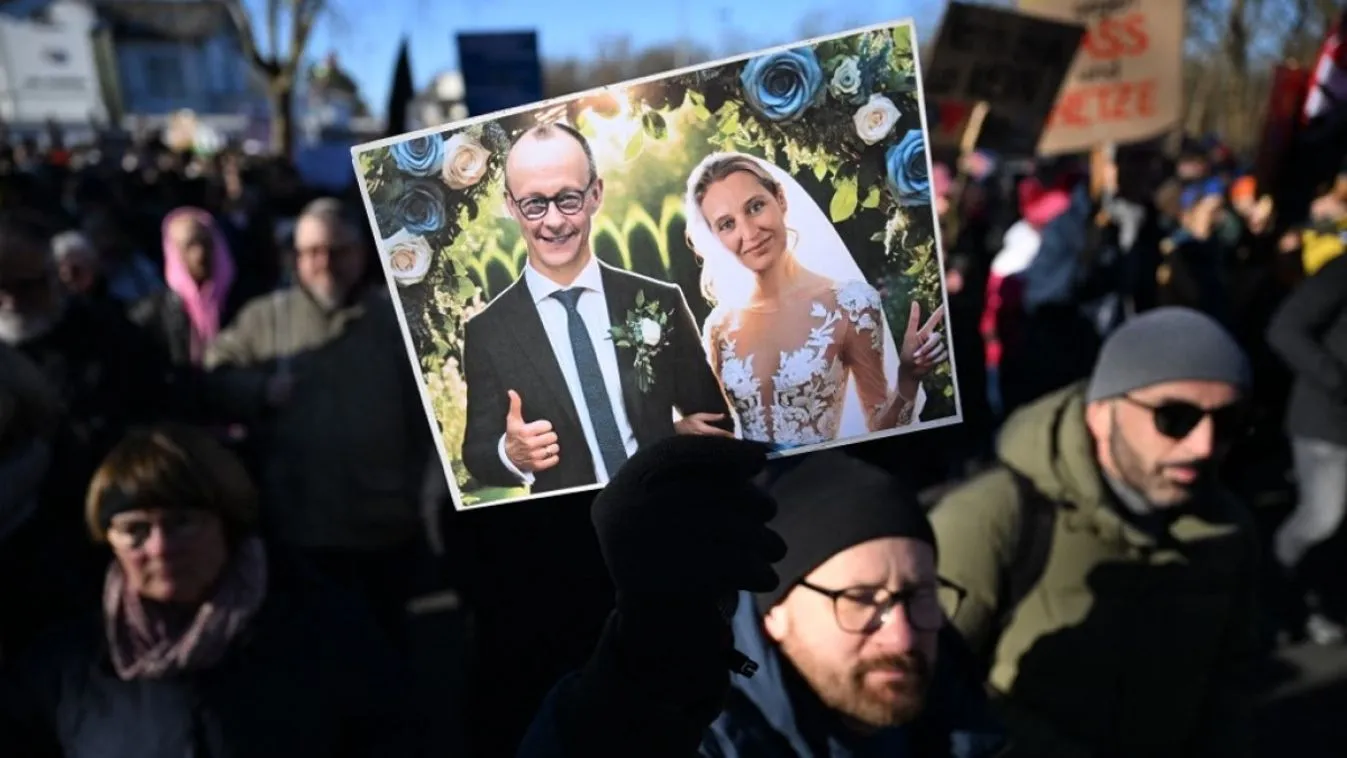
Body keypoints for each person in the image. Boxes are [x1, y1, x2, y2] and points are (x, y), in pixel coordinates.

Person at [519, 436, 1008, 757]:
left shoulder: (964, 721)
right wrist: (638, 677)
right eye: (860, 599)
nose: (901, 634)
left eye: (919, 594)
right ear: (775, 615)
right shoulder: (712, 740)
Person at [929, 307, 1261, 758]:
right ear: (1102, 413)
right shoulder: (994, 517)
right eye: (1175, 417)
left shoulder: (1228, 528)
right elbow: (926, 694)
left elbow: (1237, 679)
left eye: (1228, 423)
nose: (1203, 446)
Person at [0, 424, 423, 757]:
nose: (161, 548)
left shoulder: (327, 637)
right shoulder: (63, 666)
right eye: (135, 531)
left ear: (228, 524)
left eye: (182, 522)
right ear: (107, 539)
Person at [203, 197, 432, 646]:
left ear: (361, 254)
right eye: (311, 252)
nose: (324, 263)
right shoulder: (265, 318)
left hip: (383, 526)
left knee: (384, 650)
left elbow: (428, 412)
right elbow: (211, 379)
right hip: (298, 526)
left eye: (337, 251)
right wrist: (259, 390)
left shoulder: (397, 321)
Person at [460, 122, 733, 494]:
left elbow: (714, 423)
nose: (554, 221)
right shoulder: (487, 333)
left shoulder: (660, 302)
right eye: (534, 204)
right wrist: (509, 453)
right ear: (511, 205)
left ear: (596, 194)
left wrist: (666, 438)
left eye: (568, 198)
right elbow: (477, 452)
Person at [684, 152, 946, 449]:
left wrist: (908, 379)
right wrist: (680, 427)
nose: (749, 233)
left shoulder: (851, 304)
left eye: (755, 207)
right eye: (726, 224)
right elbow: (720, 430)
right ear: (715, 236)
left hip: (824, 482)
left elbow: (881, 428)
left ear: (780, 199)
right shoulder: (719, 326)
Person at [1266, 251, 1347, 644]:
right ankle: (1274, 600)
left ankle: (1317, 606)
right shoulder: (1341, 271)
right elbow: (1285, 329)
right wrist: (1336, 380)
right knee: (1321, 518)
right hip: (1325, 421)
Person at [131, 206, 242, 367]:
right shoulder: (154, 314)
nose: (200, 253)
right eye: (190, 245)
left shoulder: (241, 301)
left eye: (206, 243)